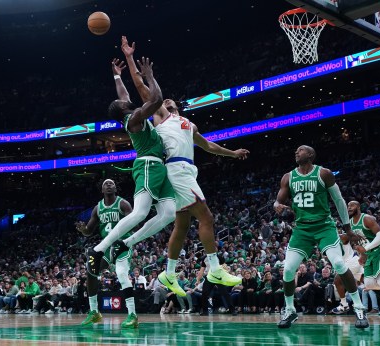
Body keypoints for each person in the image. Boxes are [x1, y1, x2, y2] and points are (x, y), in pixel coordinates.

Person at [118, 36, 249, 293]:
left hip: (187, 169)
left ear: (177, 106)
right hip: (176, 168)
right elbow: (144, 89)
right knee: (206, 217)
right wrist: (131, 58)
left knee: (182, 224)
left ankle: (168, 274)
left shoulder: (188, 124)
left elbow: (209, 146)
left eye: (168, 102)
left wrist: (233, 153)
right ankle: (215, 269)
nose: (164, 103)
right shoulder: (161, 116)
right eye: (162, 103)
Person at [86, 57, 177, 291]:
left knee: (168, 214)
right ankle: (99, 249)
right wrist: (148, 75)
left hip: (159, 167)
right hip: (147, 165)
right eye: (122, 101)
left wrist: (117, 75)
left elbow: (123, 96)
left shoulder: (127, 111)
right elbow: (156, 100)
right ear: (122, 109)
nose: (124, 99)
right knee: (140, 212)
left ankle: (125, 243)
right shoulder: (134, 118)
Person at [273, 145, 369, 329]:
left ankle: (358, 307)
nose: (296, 152)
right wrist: (277, 204)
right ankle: (291, 310)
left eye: (300, 150)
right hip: (302, 229)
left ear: (310, 155)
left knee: (339, 264)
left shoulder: (323, 173)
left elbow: (339, 200)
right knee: (287, 270)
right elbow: (279, 200)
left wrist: (347, 228)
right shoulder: (288, 177)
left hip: (324, 226)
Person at [75, 179, 139, 328]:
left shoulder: (123, 204)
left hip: (122, 244)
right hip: (106, 246)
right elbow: (89, 231)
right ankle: (94, 312)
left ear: (116, 188)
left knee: (121, 273)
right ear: (102, 190)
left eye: (112, 183)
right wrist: (83, 229)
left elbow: (136, 221)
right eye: (106, 184)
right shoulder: (98, 208)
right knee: (91, 269)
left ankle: (132, 315)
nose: (109, 185)